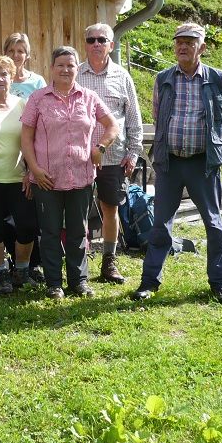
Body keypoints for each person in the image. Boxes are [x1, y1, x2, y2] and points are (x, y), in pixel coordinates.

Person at [132, 22, 222, 304]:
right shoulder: (164, 78)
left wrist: (213, 144)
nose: (182, 47)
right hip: (170, 164)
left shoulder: (217, 79)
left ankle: (220, 283)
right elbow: (159, 118)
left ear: (201, 48)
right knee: (160, 227)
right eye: (179, 42)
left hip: (203, 165)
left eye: (190, 43)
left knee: (214, 225)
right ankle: (149, 283)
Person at [21, 46, 119, 299]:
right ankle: (54, 283)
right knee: (50, 232)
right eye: (61, 65)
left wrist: (100, 147)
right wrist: (34, 170)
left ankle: (79, 281)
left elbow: (112, 125)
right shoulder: (38, 99)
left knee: (78, 231)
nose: (66, 69)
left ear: (78, 68)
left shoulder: (89, 97)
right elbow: (26, 138)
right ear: (52, 69)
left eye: (71, 65)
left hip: (81, 177)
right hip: (47, 178)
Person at [77, 23, 143, 284]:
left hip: (114, 156)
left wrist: (134, 152)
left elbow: (134, 118)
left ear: (111, 45)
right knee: (77, 211)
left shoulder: (122, 76)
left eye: (102, 40)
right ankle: (79, 264)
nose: (96, 44)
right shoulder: (75, 74)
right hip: (79, 156)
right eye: (91, 39)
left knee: (110, 210)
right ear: (85, 44)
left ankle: (108, 262)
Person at [0, 54, 37, 294]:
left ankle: (21, 271)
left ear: (12, 77)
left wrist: (30, 170)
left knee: (27, 225)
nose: (0, 78)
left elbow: (32, 140)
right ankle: (1, 273)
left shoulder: (23, 105)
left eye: (4, 74)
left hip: (18, 178)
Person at [0, 33, 46, 100]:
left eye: (20, 51)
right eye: (11, 51)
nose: (15, 55)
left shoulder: (37, 82)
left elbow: (46, 108)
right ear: (5, 53)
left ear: (27, 55)